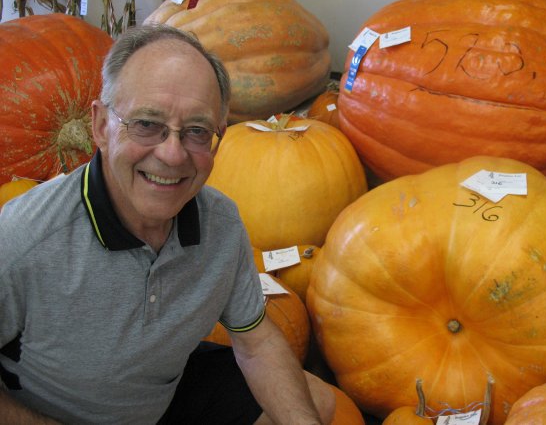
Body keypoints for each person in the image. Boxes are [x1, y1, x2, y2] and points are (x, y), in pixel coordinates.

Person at [0, 24, 335, 424]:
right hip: (58, 414)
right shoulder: (24, 240)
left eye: (196, 131)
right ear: (101, 125)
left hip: (160, 394)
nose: (173, 155)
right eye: (146, 124)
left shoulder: (220, 224)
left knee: (316, 405)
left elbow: (257, 344)